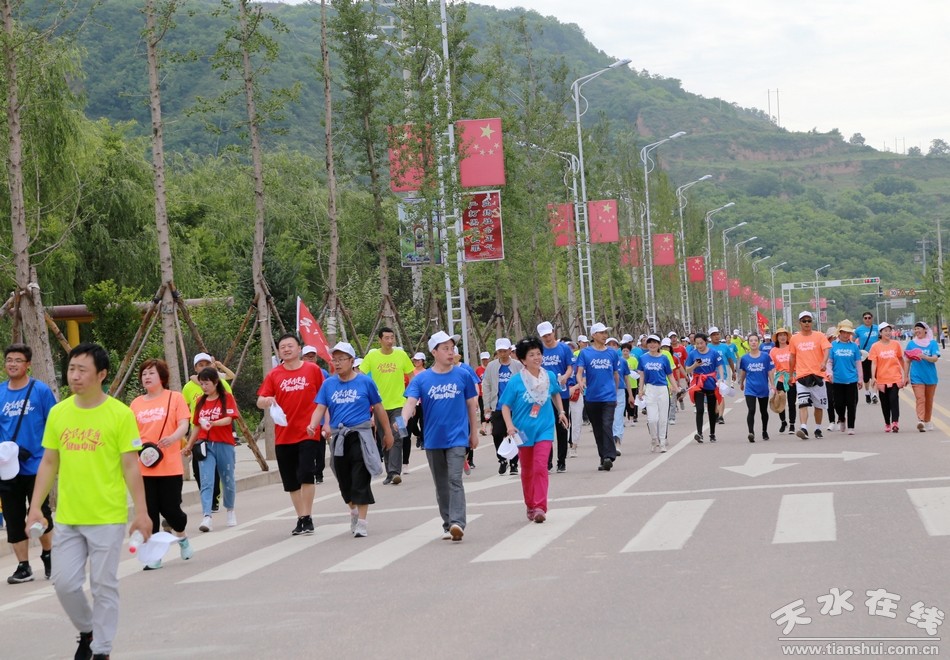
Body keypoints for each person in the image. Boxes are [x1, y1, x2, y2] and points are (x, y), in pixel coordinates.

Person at [26, 343, 152, 660]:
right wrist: (35, 506)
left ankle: (102, 650)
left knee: (103, 585)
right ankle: (88, 630)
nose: (75, 376)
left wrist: (142, 513)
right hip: (68, 516)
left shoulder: (120, 414)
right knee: (64, 583)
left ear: (101, 374)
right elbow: (49, 462)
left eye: (82, 370)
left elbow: (130, 466)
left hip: (107, 516)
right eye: (72, 369)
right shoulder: (59, 413)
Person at [308, 342, 392, 537]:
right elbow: (320, 407)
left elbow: (379, 408)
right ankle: (353, 510)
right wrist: (313, 425)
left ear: (351, 361)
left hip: (360, 436)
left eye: (341, 359)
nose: (337, 363)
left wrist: (387, 432)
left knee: (360, 477)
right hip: (339, 437)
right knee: (344, 480)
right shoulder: (328, 384)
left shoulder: (365, 382)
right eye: (334, 360)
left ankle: (362, 522)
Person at [402, 331, 479, 542]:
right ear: (434, 352)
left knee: (455, 479)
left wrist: (473, 432)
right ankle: (448, 524)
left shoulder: (463, 375)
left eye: (452, 348)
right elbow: (410, 402)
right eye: (445, 349)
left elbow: (471, 405)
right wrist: (402, 421)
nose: (450, 352)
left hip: (458, 438)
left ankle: (458, 522)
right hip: (434, 439)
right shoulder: (422, 379)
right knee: (441, 483)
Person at [257, 333, 325, 535]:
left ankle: (307, 516)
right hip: (284, 434)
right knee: (291, 481)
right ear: (278, 352)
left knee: (306, 474)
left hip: (308, 431)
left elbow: (324, 398)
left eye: (290, 345)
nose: (286, 349)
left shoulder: (312, 370)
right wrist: (267, 401)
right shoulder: (274, 375)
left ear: (299, 348)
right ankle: (301, 517)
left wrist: (327, 424)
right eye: (282, 347)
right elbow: (260, 400)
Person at [0, 343, 57, 584]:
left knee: (40, 513)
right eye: (9, 360)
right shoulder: (0, 393)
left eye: (18, 360)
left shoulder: (40, 391)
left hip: (37, 465)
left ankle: (49, 555)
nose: (12, 364)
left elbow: (54, 423)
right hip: (7, 468)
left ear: (28, 365)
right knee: (13, 518)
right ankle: (23, 567)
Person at [130, 359, 192, 569]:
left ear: (162, 377)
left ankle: (182, 537)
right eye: (144, 374)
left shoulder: (175, 398)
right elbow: (131, 432)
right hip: (144, 468)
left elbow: (184, 424)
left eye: (151, 373)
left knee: (171, 510)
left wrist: (173, 438)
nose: (146, 377)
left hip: (170, 465)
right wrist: (135, 451)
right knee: (150, 512)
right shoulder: (136, 403)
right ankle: (154, 555)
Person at [500, 337, 567, 523]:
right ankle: (530, 505)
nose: (537, 357)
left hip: (544, 428)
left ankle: (540, 507)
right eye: (531, 355)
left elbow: (555, 393)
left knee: (540, 466)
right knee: (528, 469)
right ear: (523, 359)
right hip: (522, 431)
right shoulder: (515, 381)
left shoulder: (549, 376)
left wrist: (561, 411)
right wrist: (509, 426)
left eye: (538, 353)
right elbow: (505, 406)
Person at [184, 368, 239, 532]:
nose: (204, 387)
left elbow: (229, 419)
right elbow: (196, 425)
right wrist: (189, 445)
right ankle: (207, 516)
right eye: (201, 384)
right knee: (206, 480)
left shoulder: (226, 398)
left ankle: (230, 510)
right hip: (205, 445)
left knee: (227, 479)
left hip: (224, 444)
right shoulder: (200, 401)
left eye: (206, 383)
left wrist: (213, 423)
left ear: (215, 382)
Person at [357, 327, 414, 485]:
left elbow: (412, 376)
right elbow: (361, 376)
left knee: (398, 436)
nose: (390, 341)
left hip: (400, 406)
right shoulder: (372, 356)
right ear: (380, 340)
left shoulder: (401, 355)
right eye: (386, 338)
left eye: (392, 337)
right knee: (384, 439)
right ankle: (390, 472)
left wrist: (411, 401)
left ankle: (395, 472)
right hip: (379, 407)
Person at [181, 352, 233, 512]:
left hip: (219, 435)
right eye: (200, 365)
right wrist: (186, 436)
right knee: (199, 469)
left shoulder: (221, 384)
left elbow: (229, 408)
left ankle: (215, 499)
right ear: (195, 368)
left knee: (217, 470)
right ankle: (207, 499)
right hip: (199, 434)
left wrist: (215, 422)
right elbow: (184, 409)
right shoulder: (188, 387)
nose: (204, 367)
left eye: (206, 364)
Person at [575, 322, 623, 470]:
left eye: (605, 333)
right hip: (592, 397)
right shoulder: (585, 353)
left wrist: (615, 393)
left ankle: (609, 456)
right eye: (601, 333)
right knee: (597, 428)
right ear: (593, 335)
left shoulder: (612, 353)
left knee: (607, 425)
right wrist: (580, 382)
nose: (604, 335)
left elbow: (616, 375)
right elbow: (579, 372)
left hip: (608, 397)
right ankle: (603, 458)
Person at [482, 337, 523, 475]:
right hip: (498, 406)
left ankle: (514, 463)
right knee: (497, 433)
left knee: (515, 434)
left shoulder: (518, 365)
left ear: (510, 350)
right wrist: (487, 405)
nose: (502, 353)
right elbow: (486, 385)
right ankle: (502, 459)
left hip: (515, 407)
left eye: (505, 351)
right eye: (500, 351)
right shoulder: (491, 366)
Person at [537, 322, 574, 473]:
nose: (547, 338)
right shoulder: (539, 350)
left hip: (561, 392)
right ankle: (548, 461)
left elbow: (570, 367)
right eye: (544, 336)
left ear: (553, 332)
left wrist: (565, 376)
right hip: (542, 395)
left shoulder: (564, 348)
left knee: (562, 426)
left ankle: (562, 461)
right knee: (546, 427)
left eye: (549, 334)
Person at [789, 311, 831, 440]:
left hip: (818, 376)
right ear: (799, 323)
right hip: (802, 376)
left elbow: (827, 349)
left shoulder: (819, 336)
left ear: (812, 322)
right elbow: (792, 357)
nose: (807, 323)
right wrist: (790, 375)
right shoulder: (794, 338)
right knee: (802, 403)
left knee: (819, 406)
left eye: (809, 321)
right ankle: (803, 428)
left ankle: (818, 428)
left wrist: (824, 362)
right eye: (804, 321)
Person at [684, 332, 723, 443]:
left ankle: (712, 433)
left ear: (706, 342)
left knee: (711, 409)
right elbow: (687, 369)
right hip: (698, 383)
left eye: (701, 343)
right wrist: (695, 365)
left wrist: (721, 378)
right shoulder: (692, 354)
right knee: (700, 409)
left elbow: (720, 365)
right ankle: (699, 433)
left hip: (710, 381)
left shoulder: (713, 353)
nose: (699, 346)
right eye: (697, 344)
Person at [868, 322, 906, 432]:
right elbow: (874, 363)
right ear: (880, 333)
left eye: (889, 331)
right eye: (885, 331)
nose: (888, 333)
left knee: (894, 400)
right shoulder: (875, 346)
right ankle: (887, 423)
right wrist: (873, 377)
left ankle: (895, 422)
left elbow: (901, 359)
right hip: (882, 379)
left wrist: (905, 374)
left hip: (895, 377)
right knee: (885, 403)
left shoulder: (896, 344)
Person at [638, 335, 674, 452]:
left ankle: (662, 442)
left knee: (663, 418)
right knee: (652, 419)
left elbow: (670, 375)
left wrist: (675, 387)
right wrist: (640, 390)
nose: (652, 345)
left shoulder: (664, 358)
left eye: (655, 343)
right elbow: (641, 376)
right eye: (650, 343)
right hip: (650, 389)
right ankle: (654, 438)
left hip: (662, 389)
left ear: (659, 345)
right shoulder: (643, 358)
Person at [738, 334, 774, 442]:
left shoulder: (765, 356)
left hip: (763, 388)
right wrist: (741, 382)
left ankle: (764, 431)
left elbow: (769, 370)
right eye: (751, 341)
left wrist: (772, 384)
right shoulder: (745, 358)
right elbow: (744, 371)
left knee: (764, 411)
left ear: (759, 342)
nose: (753, 342)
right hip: (750, 389)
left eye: (755, 340)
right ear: (748, 343)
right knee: (751, 410)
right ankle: (751, 432)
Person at [827, 320, 862, 434]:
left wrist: (860, 379)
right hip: (837, 380)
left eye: (848, 333)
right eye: (844, 332)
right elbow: (829, 362)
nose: (846, 335)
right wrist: (829, 373)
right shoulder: (833, 345)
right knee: (838, 404)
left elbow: (858, 363)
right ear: (839, 332)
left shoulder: (854, 346)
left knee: (851, 404)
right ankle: (841, 418)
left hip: (851, 379)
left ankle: (851, 427)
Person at [905, 322, 940, 432]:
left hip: (930, 377)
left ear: (925, 330)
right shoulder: (911, 344)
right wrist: (905, 376)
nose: (917, 331)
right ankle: (921, 421)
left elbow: (935, 358)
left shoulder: (932, 343)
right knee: (920, 398)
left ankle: (927, 420)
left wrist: (924, 357)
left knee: (928, 400)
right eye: (915, 329)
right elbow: (907, 361)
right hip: (916, 376)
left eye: (919, 328)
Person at [607, 336, 633, 455]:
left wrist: (630, 395)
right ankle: (610, 441)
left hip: (620, 391)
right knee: (609, 418)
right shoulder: (602, 361)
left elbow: (627, 379)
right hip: (606, 392)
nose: (612, 347)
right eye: (609, 344)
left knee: (618, 417)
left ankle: (617, 442)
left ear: (618, 347)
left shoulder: (622, 361)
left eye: (614, 344)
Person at [770, 328, 797, 435]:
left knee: (791, 402)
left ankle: (792, 424)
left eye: (784, 335)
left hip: (791, 378)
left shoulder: (791, 348)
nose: (782, 337)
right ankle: (783, 422)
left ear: (787, 337)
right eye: (780, 335)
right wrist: (772, 382)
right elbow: (771, 367)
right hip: (780, 378)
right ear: (777, 338)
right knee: (780, 401)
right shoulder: (773, 351)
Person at [707, 327, 736, 425]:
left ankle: (720, 416)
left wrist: (733, 372)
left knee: (721, 394)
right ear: (710, 337)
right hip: (710, 375)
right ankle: (716, 412)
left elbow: (730, 360)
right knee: (713, 396)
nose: (716, 336)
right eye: (714, 335)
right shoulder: (707, 347)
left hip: (723, 374)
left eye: (717, 334)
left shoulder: (725, 347)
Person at [854, 312, 879, 404]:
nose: (867, 319)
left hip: (875, 355)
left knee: (875, 375)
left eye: (869, 318)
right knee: (866, 377)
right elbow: (852, 340)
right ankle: (867, 392)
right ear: (863, 319)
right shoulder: (859, 330)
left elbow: (883, 337)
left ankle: (874, 394)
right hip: (864, 355)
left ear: (872, 318)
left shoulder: (877, 328)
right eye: (865, 318)